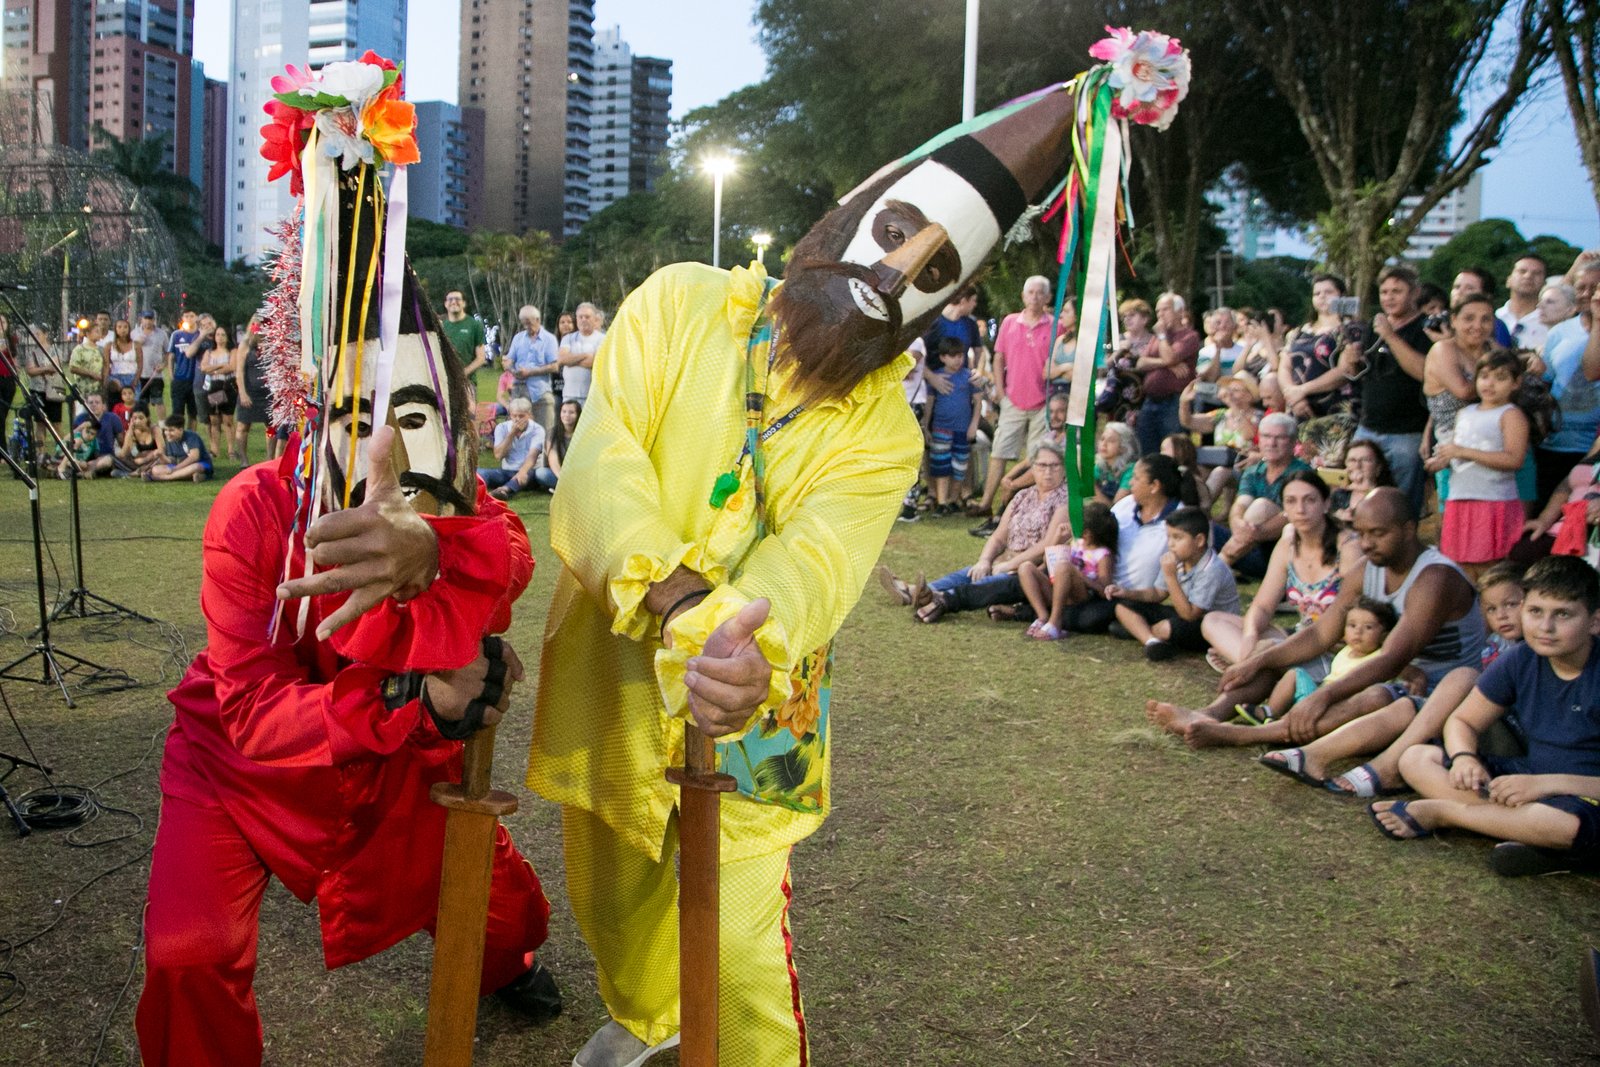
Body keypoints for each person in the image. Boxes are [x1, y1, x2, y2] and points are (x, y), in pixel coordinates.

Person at [526, 77, 1098, 1067]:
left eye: (936, 266)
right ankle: (652, 1016)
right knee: (610, 885)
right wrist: (677, 600)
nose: (897, 266)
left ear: (940, 308)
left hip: (757, 694)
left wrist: (743, 647)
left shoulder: (883, 432)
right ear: (839, 217)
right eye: (899, 224)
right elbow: (601, 460)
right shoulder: (681, 300)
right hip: (612, 675)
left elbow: (814, 565)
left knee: (743, 951)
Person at [136, 63, 561, 1065]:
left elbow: (505, 559)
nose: (383, 447)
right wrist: (416, 700)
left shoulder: (450, 493)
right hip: (236, 773)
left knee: (488, 904)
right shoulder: (250, 509)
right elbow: (249, 707)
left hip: (398, 787)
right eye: (354, 414)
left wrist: (425, 549)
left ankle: (511, 965)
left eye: (409, 415)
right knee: (187, 950)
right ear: (310, 409)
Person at [1150, 487, 1484, 747]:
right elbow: (1321, 634)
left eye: (1378, 534)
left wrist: (1325, 694)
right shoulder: (1367, 569)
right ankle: (1209, 714)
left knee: (1371, 698)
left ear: (1409, 530)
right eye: (1361, 532)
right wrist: (1257, 662)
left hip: (1435, 687)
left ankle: (1241, 736)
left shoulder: (1434, 579)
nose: (1366, 543)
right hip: (1379, 666)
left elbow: (1393, 659)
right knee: (1274, 655)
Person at [1371, 556, 1600, 879]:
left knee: (1563, 825)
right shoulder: (1521, 658)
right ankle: (1533, 840)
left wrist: (1543, 785)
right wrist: (1464, 757)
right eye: (1535, 612)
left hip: (1583, 795)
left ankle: (1451, 814)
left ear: (1594, 621)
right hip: (1526, 779)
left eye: (1562, 614)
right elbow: (1462, 721)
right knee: (1416, 758)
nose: (1545, 627)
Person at [892, 441, 1072, 623]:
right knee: (968, 573)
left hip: (1026, 571)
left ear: (1063, 469)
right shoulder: (1023, 496)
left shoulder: (1064, 500)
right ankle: (917, 591)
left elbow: (1047, 544)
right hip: (1001, 561)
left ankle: (933, 596)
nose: (1048, 472)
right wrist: (984, 560)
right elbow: (998, 537)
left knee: (982, 585)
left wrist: (1009, 565)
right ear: (1032, 467)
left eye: (1054, 466)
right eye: (1042, 465)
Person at [1202, 469, 1360, 672]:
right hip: (1298, 636)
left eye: (1309, 500)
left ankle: (1255, 664)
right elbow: (1263, 606)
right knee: (1213, 621)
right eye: (1291, 501)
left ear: (1326, 503)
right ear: (1284, 508)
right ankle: (1251, 660)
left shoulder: (1347, 548)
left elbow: (1355, 617)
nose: (1300, 509)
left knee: (1270, 649)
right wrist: (1250, 638)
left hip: (1335, 645)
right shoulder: (1288, 546)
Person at [1430, 349, 1532, 578]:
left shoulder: (1511, 414)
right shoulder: (1464, 413)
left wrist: (1463, 451)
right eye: (1484, 376)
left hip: (1492, 501)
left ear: (1516, 383)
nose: (1490, 383)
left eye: (1501, 377)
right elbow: (1458, 456)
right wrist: (1443, 460)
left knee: (1491, 571)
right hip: (1460, 499)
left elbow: (1514, 459)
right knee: (1459, 569)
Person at [1245, 596, 1399, 746]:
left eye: (1368, 627)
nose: (1358, 632)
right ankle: (1270, 712)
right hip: (1317, 699)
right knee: (1294, 674)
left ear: (1384, 635)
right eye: (1352, 625)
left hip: (1339, 708)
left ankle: (1280, 724)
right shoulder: (1344, 651)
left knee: (1296, 674)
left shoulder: (1380, 658)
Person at [1060, 453, 1183, 633]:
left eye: (1136, 478)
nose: (1130, 483)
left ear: (1155, 486)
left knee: (1087, 618)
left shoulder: (1178, 522)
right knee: (1036, 578)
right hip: (1096, 585)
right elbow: (1096, 539)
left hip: (1133, 597)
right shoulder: (1126, 505)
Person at [972, 275, 1054, 533]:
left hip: (1044, 402)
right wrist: (999, 389)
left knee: (1035, 455)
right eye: (1030, 292)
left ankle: (1029, 504)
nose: (1035, 297)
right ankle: (986, 501)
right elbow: (999, 358)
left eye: (1040, 293)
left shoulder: (1055, 326)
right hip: (1013, 399)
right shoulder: (1009, 322)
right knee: (1000, 451)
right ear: (1023, 295)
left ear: (1048, 298)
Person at [1110, 505, 1240, 661]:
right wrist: (1126, 593)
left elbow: (1190, 615)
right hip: (1184, 615)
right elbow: (1157, 593)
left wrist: (1170, 577)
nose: (1171, 544)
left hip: (1214, 628)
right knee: (1122, 606)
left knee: (1168, 627)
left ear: (1199, 540)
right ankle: (1151, 641)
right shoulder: (1179, 559)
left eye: (1177, 538)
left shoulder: (1212, 569)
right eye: (1169, 537)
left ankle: (1140, 630)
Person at [1354, 265, 1432, 517]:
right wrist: (1348, 359)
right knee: (1358, 495)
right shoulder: (1372, 328)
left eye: (1396, 291)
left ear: (1415, 293)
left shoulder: (1426, 329)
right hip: (1368, 426)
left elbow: (1424, 373)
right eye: (1384, 292)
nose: (1388, 297)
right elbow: (1358, 373)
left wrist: (1390, 336)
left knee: (1401, 505)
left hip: (1406, 434)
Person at [1533, 259, 1600, 505]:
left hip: (1592, 450)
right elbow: (1546, 383)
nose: (1587, 294)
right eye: (1581, 287)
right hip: (1554, 444)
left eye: (1594, 287)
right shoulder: (1559, 332)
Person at [1218, 412, 1312, 576]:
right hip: (1248, 543)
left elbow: (1291, 516)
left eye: (1280, 438)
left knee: (1262, 506)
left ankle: (1217, 568)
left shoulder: (1303, 474)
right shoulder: (1253, 471)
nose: (1271, 443)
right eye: (1266, 436)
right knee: (1204, 526)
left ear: (1292, 443)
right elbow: (1241, 504)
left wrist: (1255, 532)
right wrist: (1237, 523)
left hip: (1282, 550)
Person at [1421, 293, 1493, 506]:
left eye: (1486, 319)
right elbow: (1464, 391)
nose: (1477, 325)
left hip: (1496, 443)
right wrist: (1501, 377)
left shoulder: (1492, 348)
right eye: (1469, 318)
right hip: (1452, 448)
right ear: (1453, 320)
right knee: (1456, 517)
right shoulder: (1444, 349)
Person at [1018, 499, 1117, 641]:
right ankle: (1043, 616)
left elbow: (1104, 591)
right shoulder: (1077, 543)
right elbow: (1048, 562)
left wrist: (1078, 575)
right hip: (1058, 588)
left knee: (1064, 566)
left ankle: (1055, 623)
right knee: (1025, 567)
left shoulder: (1102, 555)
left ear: (1088, 533)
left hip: (1081, 596)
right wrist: (1057, 539)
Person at [1134, 291, 1201, 456]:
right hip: (1150, 401)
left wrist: (1163, 337)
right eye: (1158, 311)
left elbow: (1170, 356)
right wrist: (1168, 364)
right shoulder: (1156, 338)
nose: (1160, 315)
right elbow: (1141, 363)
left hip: (1174, 401)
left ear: (1180, 311)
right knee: (1147, 450)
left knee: (1174, 451)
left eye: (1165, 310)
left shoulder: (1189, 336)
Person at [922, 337, 980, 514]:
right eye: (952, 356)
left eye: (960, 356)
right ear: (942, 357)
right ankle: (941, 502)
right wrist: (926, 425)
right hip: (941, 428)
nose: (957, 360)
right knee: (941, 466)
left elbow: (977, 402)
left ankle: (953, 500)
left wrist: (973, 425)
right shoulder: (937, 378)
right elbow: (930, 403)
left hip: (962, 429)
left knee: (959, 467)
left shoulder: (968, 377)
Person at [504, 305, 559, 433]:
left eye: (529, 323)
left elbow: (554, 366)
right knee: (517, 429)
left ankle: (545, 453)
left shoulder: (549, 339)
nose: (526, 327)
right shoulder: (518, 338)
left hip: (540, 391)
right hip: (519, 390)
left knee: (545, 430)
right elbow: (509, 360)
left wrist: (530, 372)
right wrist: (511, 369)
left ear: (538, 320)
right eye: (524, 324)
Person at [477, 397, 545, 500]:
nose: (517, 419)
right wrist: (511, 434)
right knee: (480, 472)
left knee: (527, 475)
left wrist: (522, 472)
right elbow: (498, 456)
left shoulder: (538, 430)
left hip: (529, 472)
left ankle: (504, 490)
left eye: (521, 416)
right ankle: (476, 491)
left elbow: (532, 457)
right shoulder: (502, 428)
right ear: (510, 415)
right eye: (514, 416)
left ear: (529, 415)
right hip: (507, 470)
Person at [233, 314, 272, 464]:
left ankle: (269, 457)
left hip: (268, 392)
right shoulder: (245, 345)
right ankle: (244, 459)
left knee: (270, 426)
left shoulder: (271, 344)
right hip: (249, 390)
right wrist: (242, 393)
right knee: (243, 425)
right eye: (258, 324)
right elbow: (240, 371)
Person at [198, 324, 239, 459]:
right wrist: (220, 366)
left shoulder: (232, 351)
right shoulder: (209, 352)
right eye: (217, 335)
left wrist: (213, 370)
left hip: (227, 386)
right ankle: (214, 449)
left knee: (228, 419)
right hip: (212, 387)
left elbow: (231, 366)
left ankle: (231, 449)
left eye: (223, 335)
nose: (220, 338)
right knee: (214, 420)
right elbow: (203, 367)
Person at [1330, 439, 1393, 524]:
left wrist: (1369, 490)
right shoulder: (1339, 495)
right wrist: (1337, 517)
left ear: (1378, 468)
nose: (1358, 465)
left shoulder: (1389, 496)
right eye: (1352, 460)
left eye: (1365, 460)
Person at [1498, 253, 1550, 354]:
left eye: (1537, 273)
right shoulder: (1494, 319)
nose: (1528, 276)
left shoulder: (1552, 323)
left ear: (1544, 284)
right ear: (1508, 280)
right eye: (1522, 271)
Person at [557, 301, 606, 407]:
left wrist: (571, 360)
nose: (583, 320)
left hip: (592, 396)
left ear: (594, 319)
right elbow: (561, 359)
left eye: (587, 317)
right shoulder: (568, 338)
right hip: (569, 395)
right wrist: (585, 355)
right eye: (580, 317)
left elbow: (595, 362)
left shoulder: (602, 339)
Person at [145, 413, 213, 482]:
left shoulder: (192, 436)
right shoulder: (169, 440)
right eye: (166, 430)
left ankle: (162, 478)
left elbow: (194, 457)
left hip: (200, 464)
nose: (167, 433)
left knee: (196, 467)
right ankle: (194, 476)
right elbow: (171, 460)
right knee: (155, 469)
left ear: (180, 430)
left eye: (171, 430)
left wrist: (176, 468)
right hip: (180, 466)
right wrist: (161, 456)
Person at [440, 290, 489, 380]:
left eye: (457, 299)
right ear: (445, 304)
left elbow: (481, 358)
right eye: (450, 299)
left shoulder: (475, 325)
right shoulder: (440, 327)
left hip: (466, 382)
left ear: (464, 303)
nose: (454, 302)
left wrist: (462, 374)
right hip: (443, 382)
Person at [534, 397, 580, 491]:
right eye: (564, 411)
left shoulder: (582, 433)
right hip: (558, 473)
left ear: (578, 415)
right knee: (541, 473)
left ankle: (565, 489)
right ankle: (567, 488)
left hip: (577, 473)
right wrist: (563, 479)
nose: (567, 415)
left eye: (571, 412)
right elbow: (553, 460)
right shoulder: (552, 433)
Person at [132, 309, 169, 418]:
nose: (148, 322)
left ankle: (162, 426)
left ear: (154, 320)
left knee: (158, 401)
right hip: (139, 374)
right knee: (142, 403)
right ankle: (145, 425)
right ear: (141, 319)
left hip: (155, 374)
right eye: (146, 319)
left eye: (150, 319)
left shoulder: (161, 334)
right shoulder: (134, 333)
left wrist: (163, 364)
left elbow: (167, 352)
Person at [167, 310, 200, 430]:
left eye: (192, 316)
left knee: (193, 413)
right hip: (180, 379)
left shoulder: (200, 335)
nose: (189, 319)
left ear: (196, 317)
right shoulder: (176, 335)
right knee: (177, 412)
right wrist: (171, 375)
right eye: (187, 316)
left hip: (195, 380)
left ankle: (191, 436)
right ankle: (178, 438)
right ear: (183, 318)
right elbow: (170, 356)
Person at [67, 322, 109, 413]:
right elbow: (73, 367)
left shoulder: (101, 349)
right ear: (88, 333)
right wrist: (91, 374)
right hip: (83, 390)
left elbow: (106, 366)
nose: (99, 334)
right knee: (82, 415)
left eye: (100, 331)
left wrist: (104, 382)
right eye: (96, 331)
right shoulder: (79, 349)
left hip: (98, 390)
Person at [1094, 421, 1137, 503]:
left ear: (1123, 447)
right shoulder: (1099, 466)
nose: (1104, 444)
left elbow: (1115, 509)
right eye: (1102, 439)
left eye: (1111, 441)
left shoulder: (1131, 470)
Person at [115, 404, 162, 476]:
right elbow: (123, 454)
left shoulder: (155, 429)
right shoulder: (132, 432)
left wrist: (146, 459)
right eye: (135, 418)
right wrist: (130, 430)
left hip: (153, 460)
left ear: (147, 418)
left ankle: (132, 473)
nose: (138, 421)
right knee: (117, 459)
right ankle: (135, 472)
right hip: (138, 462)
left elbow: (161, 451)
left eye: (141, 418)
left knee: (159, 459)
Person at [106, 318, 139, 401]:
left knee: (132, 405)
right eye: (119, 327)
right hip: (115, 378)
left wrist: (136, 380)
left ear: (129, 329)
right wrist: (105, 380)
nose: (122, 330)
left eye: (125, 327)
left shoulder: (136, 345)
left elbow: (140, 365)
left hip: (131, 376)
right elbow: (106, 365)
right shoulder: (109, 345)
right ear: (115, 329)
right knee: (115, 404)